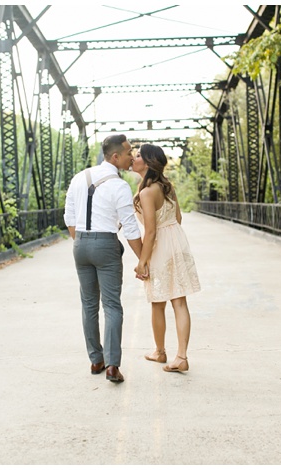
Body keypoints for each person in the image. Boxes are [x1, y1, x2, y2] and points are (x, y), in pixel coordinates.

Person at [63, 134, 143, 383]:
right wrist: (143, 260)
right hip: (106, 244)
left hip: (81, 244)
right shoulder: (119, 186)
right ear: (116, 156)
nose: (132, 156)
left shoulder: (79, 177)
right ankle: (112, 366)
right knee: (111, 305)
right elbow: (130, 228)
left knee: (88, 304)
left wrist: (82, 241)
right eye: (129, 152)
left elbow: (69, 218)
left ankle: (95, 359)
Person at [132, 143, 200, 373]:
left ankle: (160, 351)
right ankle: (180, 356)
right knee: (179, 301)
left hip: (160, 245)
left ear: (148, 162)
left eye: (139, 155)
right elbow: (178, 217)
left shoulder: (146, 192)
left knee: (158, 302)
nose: (134, 157)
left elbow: (150, 231)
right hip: (177, 242)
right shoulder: (167, 187)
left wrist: (142, 261)